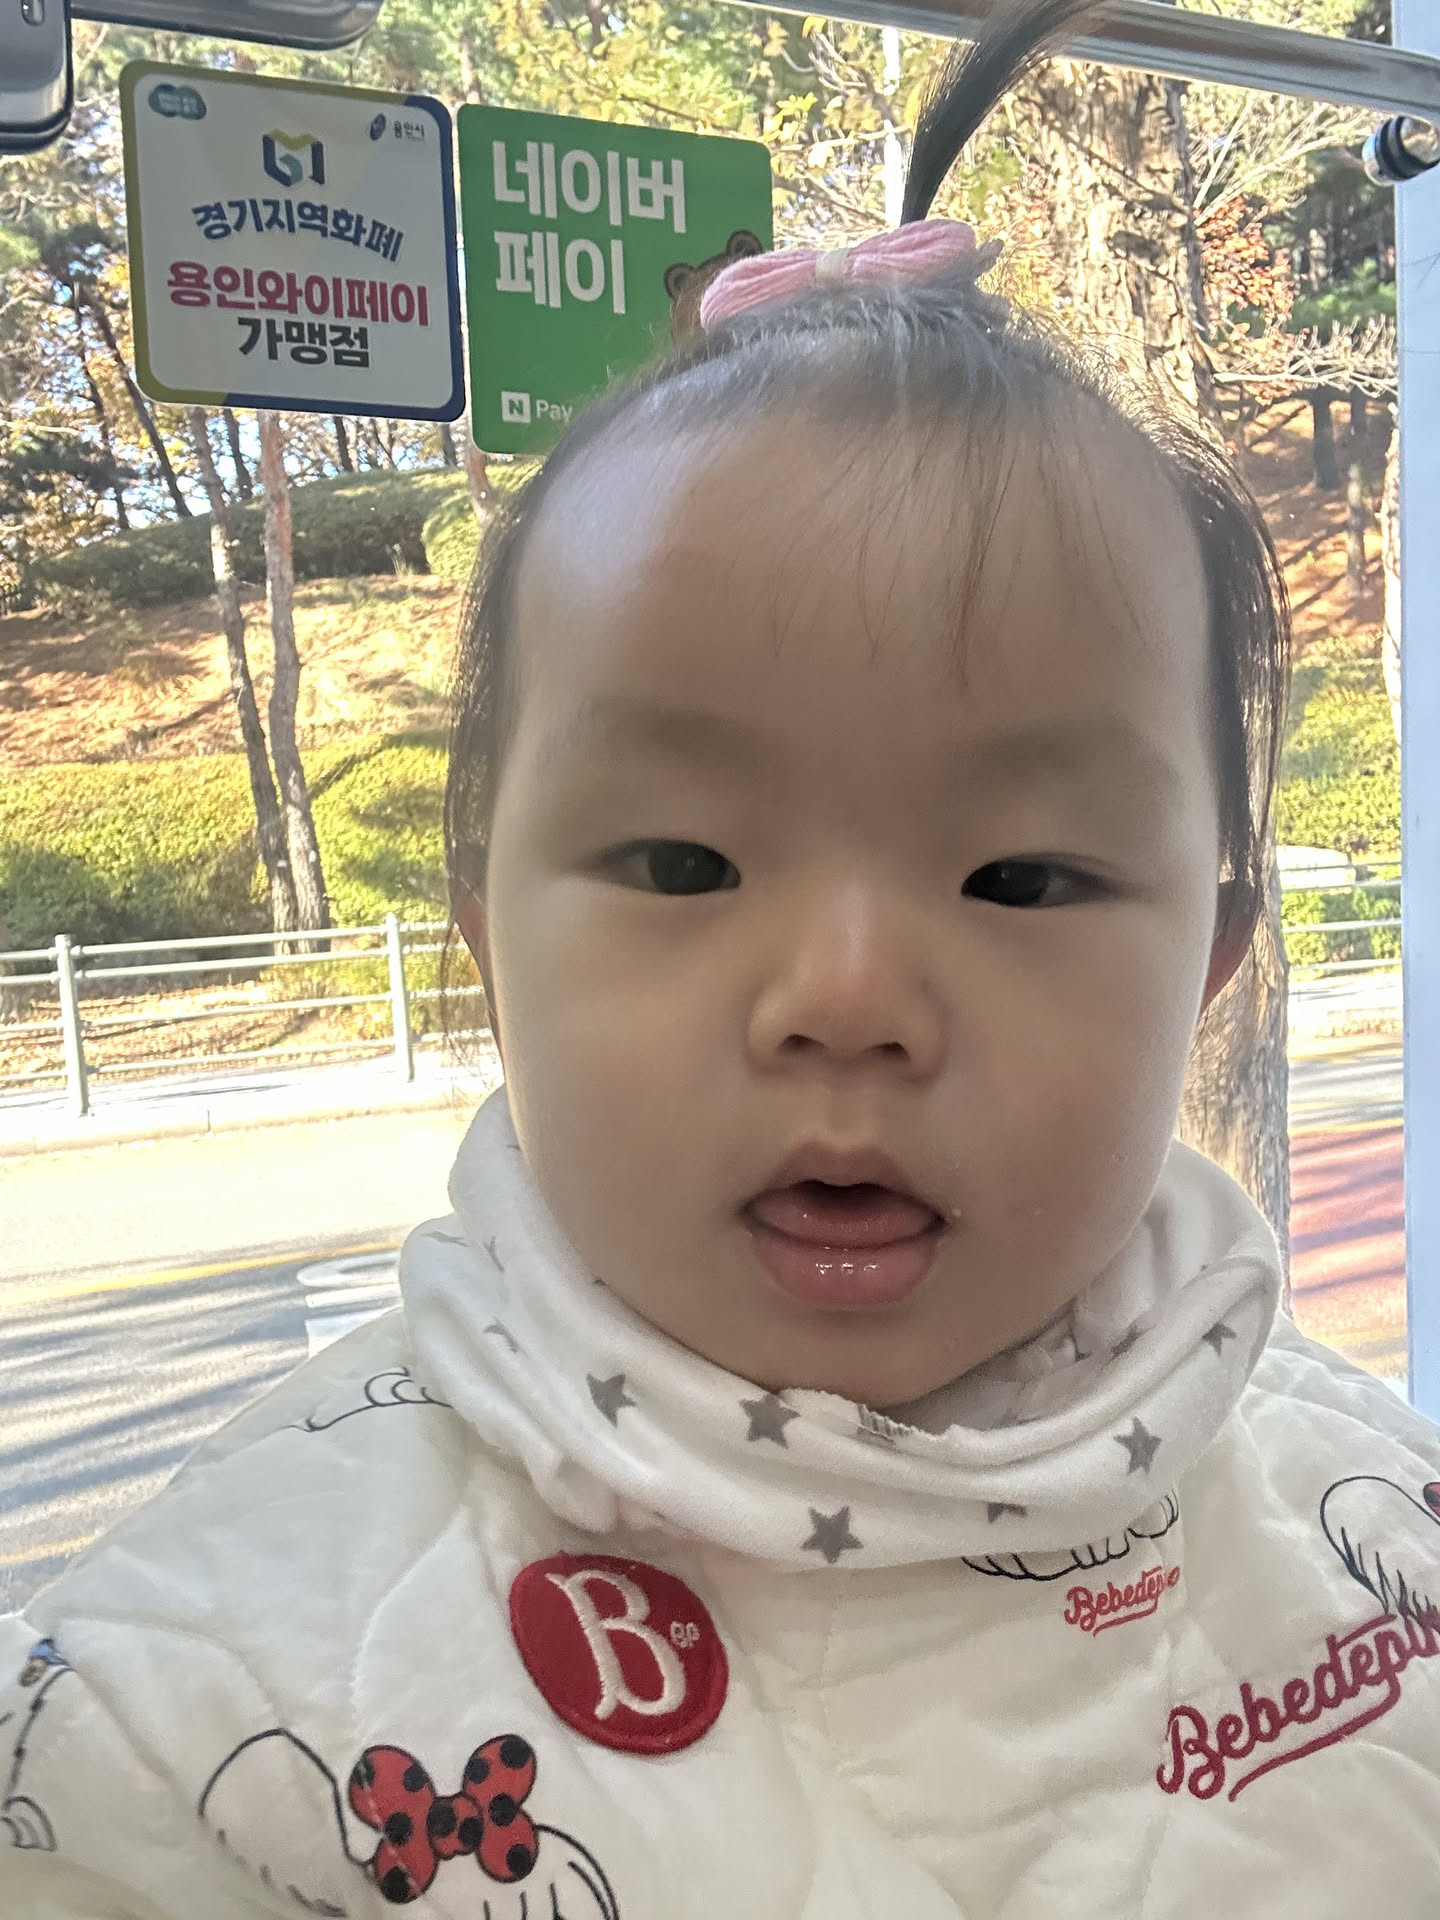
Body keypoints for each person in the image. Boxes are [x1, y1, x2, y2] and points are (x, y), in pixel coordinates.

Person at [5, 2, 1440, 1912]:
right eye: (683, 862)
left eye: (1021, 876)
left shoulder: (1373, 1528)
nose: (846, 998)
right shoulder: (202, 1715)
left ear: (1212, 963)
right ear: (485, 938)